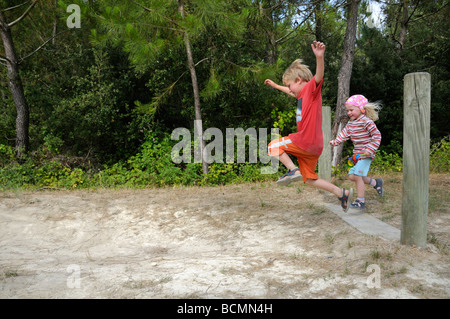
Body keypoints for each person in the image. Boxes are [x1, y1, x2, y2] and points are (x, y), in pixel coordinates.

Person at [265, 41, 353, 212]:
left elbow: (318, 76)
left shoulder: (311, 90)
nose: (290, 90)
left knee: (272, 147)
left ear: (299, 80)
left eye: (290, 86)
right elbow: (291, 91)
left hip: (305, 140)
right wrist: (276, 86)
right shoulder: (301, 98)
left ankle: (293, 170)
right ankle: (342, 193)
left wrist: (319, 58)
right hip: (314, 147)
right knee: (309, 179)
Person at [329, 94, 383, 210]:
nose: (349, 113)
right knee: (352, 176)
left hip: (366, 153)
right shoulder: (351, 123)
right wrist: (336, 142)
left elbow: (377, 135)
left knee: (358, 175)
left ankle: (360, 201)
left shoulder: (366, 121)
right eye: (348, 110)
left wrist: (370, 149)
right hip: (357, 154)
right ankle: (375, 183)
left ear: (361, 109)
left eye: (351, 110)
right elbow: (344, 134)